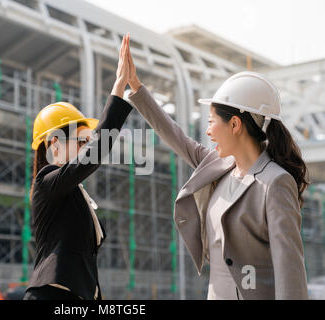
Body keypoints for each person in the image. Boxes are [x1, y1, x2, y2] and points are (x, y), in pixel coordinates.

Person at [124, 37, 309, 300]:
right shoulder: (217, 166)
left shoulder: (275, 183)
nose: (208, 131)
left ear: (235, 124)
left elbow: (289, 271)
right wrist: (137, 88)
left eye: (212, 122)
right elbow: (176, 136)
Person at [23, 35, 134, 300]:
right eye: (82, 141)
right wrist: (118, 88)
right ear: (55, 145)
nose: (87, 146)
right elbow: (93, 155)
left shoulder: (71, 192)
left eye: (88, 140)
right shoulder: (46, 181)